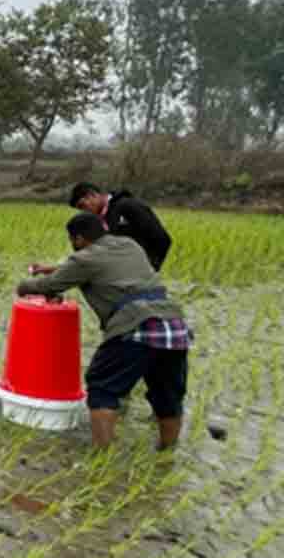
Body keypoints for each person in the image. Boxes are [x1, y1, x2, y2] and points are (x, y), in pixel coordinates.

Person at [19, 213, 191, 450]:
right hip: (174, 326)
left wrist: (23, 287)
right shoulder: (129, 245)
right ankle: (166, 453)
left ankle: (102, 457)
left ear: (78, 239)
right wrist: (54, 269)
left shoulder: (84, 259)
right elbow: (104, 267)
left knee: (102, 388)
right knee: (168, 396)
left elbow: (51, 285)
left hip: (135, 325)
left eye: (72, 241)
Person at [68, 182, 172, 272]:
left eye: (82, 205)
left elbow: (162, 239)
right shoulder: (100, 220)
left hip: (139, 277)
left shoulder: (128, 205)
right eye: (80, 209)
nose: (84, 211)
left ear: (92, 195)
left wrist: (150, 268)